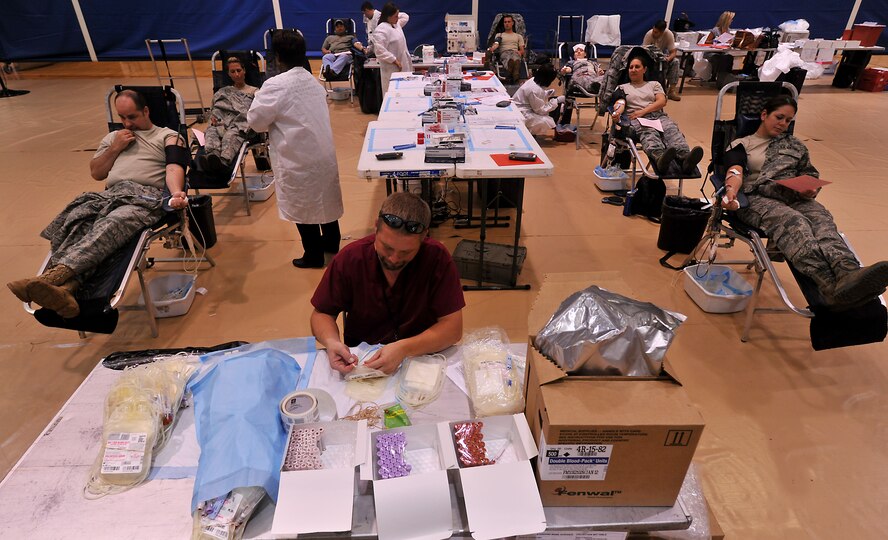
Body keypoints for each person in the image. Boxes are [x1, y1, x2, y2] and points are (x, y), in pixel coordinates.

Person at [6, 90, 189, 317]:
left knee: (113, 223)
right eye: (122, 118)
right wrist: (115, 148)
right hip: (110, 197)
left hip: (145, 198)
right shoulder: (113, 139)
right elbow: (97, 173)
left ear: (146, 111)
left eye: (132, 117)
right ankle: (66, 290)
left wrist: (177, 193)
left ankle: (51, 277)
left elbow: (174, 168)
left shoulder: (168, 136)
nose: (127, 123)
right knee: (76, 223)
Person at [721, 95, 888, 307]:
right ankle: (829, 286)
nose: (783, 124)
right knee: (794, 222)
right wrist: (731, 193)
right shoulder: (742, 144)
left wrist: (811, 189)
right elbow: (734, 171)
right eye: (779, 117)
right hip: (757, 198)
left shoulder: (795, 146)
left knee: (822, 221)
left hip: (795, 196)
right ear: (764, 115)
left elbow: (809, 173)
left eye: (788, 120)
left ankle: (849, 273)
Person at [311, 193, 465, 375]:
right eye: (387, 247)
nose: (393, 259)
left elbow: (453, 328)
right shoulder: (351, 258)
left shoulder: (436, 258)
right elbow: (322, 313)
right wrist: (332, 342)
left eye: (406, 252)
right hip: (362, 365)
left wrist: (404, 349)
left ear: (424, 236)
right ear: (376, 226)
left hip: (420, 361)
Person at [247, 29, 344, 269]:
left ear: (277, 56)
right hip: (322, 151)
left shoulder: (276, 84)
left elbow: (257, 121)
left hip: (298, 156)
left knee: (304, 205)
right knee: (325, 198)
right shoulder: (312, 80)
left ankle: (313, 255)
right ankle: (331, 244)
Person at [610, 55, 703, 175]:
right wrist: (617, 112)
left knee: (671, 129)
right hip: (637, 120)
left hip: (657, 116)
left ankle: (686, 159)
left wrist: (643, 111)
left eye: (637, 67)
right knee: (649, 133)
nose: (633, 70)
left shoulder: (654, 84)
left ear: (644, 69)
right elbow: (620, 102)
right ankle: (660, 159)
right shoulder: (622, 87)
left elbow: (661, 101)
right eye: (631, 67)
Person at [199, 57, 257, 175]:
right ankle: (212, 156)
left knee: (231, 135)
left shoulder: (254, 91)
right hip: (221, 122)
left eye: (238, 70)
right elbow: (215, 108)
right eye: (232, 72)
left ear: (244, 70)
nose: (236, 74)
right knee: (212, 130)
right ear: (228, 74)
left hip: (240, 124)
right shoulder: (223, 91)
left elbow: (256, 112)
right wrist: (214, 119)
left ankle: (224, 161)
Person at [513, 63, 565, 138]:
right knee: (546, 121)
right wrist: (556, 101)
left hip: (523, 108)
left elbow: (536, 97)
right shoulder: (534, 89)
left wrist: (546, 93)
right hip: (521, 113)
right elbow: (540, 110)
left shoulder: (533, 80)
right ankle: (528, 133)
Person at [558, 43, 604, 124]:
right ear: (574, 55)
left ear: (585, 54)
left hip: (593, 78)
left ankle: (596, 86)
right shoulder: (571, 62)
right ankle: (595, 86)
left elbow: (599, 71)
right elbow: (568, 69)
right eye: (576, 51)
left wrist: (600, 72)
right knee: (585, 79)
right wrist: (565, 70)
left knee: (605, 78)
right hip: (579, 79)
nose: (578, 52)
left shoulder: (592, 62)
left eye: (581, 51)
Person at [372, 2, 411, 94]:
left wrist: (395, 12)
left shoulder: (396, 24)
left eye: (397, 16)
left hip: (403, 63)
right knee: (393, 93)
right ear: (388, 16)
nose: (398, 18)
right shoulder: (381, 30)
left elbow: (405, 16)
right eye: (395, 16)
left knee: (404, 91)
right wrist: (394, 60)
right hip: (391, 67)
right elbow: (379, 50)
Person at [642, 20, 681, 101]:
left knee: (675, 62)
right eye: (654, 30)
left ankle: (672, 91)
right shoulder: (649, 35)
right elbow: (644, 53)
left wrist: (668, 58)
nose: (654, 33)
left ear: (662, 32)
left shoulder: (669, 34)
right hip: (650, 59)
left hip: (663, 58)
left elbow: (673, 52)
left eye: (656, 32)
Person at [488, 14, 524, 84]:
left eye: (509, 22)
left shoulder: (518, 36)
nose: (507, 24)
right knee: (508, 58)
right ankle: (514, 72)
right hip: (504, 52)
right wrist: (492, 49)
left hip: (515, 52)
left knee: (515, 57)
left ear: (512, 23)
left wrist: (520, 52)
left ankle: (511, 71)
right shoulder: (499, 35)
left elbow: (522, 50)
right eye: (505, 22)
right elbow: (496, 44)